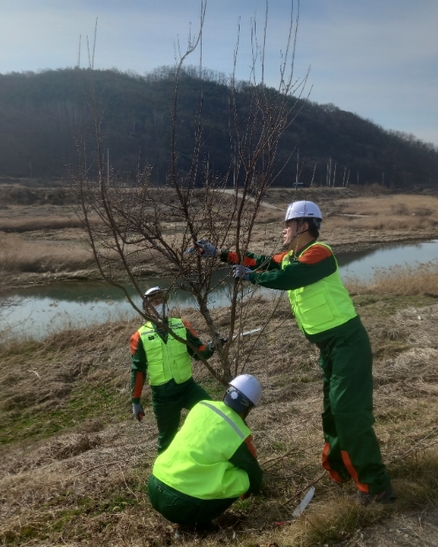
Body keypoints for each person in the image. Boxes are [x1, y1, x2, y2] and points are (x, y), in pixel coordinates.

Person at [189, 200, 395, 505]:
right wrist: (218, 253)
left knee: (348, 413)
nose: (283, 229)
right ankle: (343, 469)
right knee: (332, 412)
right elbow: (261, 260)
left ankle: (375, 486)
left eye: (288, 224)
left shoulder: (319, 252)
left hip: (348, 344)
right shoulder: (292, 257)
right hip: (330, 350)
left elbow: (288, 278)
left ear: (304, 225)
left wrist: (249, 276)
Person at [148, 374, 264, 534]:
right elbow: (251, 467)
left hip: (155, 485)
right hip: (181, 505)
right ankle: (200, 525)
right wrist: (258, 487)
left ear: (227, 392)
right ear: (249, 408)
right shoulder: (236, 429)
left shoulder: (202, 406)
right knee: (244, 479)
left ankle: (185, 524)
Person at [130, 286, 216, 453]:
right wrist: (136, 401)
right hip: (163, 397)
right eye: (155, 302)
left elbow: (198, 352)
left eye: (162, 301)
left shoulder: (181, 326)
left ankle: (208, 450)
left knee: (212, 414)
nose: (160, 304)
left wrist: (211, 348)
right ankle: (163, 475)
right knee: (167, 439)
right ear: (147, 309)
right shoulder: (140, 336)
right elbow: (138, 370)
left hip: (188, 389)